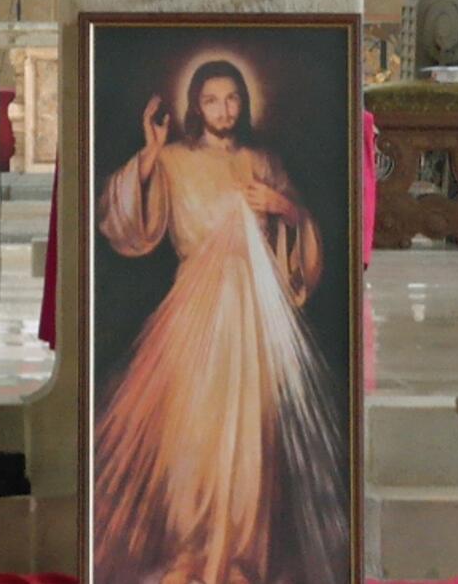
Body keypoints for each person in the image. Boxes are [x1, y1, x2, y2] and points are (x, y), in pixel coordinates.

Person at [94, 60, 349, 584]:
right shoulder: (172, 160)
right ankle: (193, 550)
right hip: (194, 312)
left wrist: (286, 208)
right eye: (212, 100)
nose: (224, 110)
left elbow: (303, 246)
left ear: (245, 103)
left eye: (232, 99)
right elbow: (123, 221)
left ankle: (237, 556)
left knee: (251, 436)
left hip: (256, 314)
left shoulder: (264, 161)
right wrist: (148, 151)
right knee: (192, 430)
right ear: (195, 105)